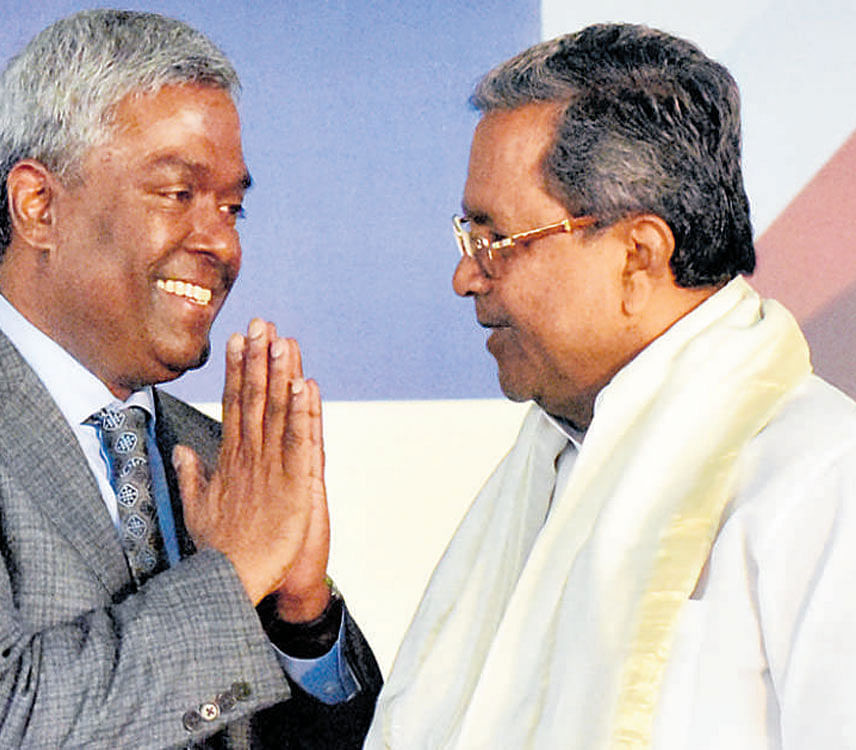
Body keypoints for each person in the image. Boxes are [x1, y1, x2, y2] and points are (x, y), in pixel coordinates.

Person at [0, 10, 380, 748]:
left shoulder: (223, 460)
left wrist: (303, 615)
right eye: (177, 194)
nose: (220, 241)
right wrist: (233, 575)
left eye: (232, 206)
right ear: (38, 206)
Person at [366, 23, 856, 749]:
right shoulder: (552, 457)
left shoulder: (821, 479)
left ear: (638, 255)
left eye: (494, 240)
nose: (466, 277)